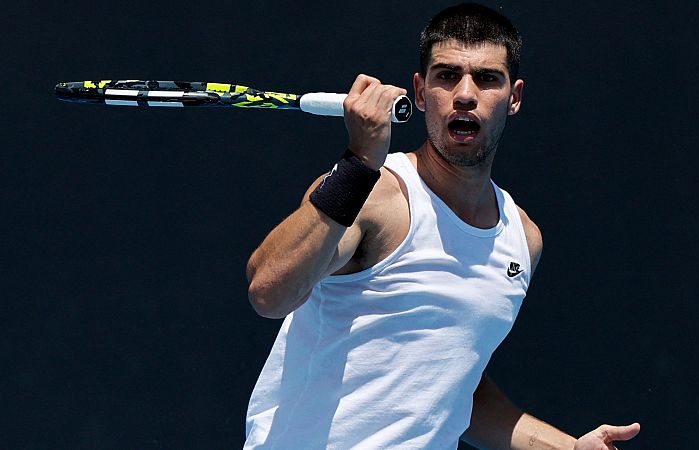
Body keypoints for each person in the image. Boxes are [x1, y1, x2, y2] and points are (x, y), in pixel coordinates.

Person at [244, 3, 639, 449]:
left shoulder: (522, 240)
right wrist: (357, 164)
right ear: (419, 90)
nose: (465, 94)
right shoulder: (373, 195)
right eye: (447, 75)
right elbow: (268, 291)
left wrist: (568, 449)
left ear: (515, 98)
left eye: (487, 78)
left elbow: (453, 389)